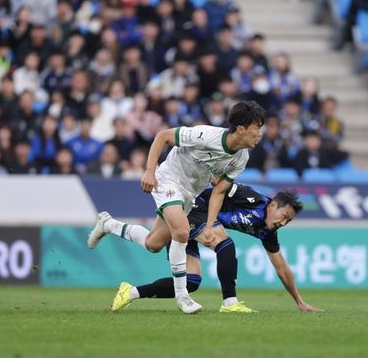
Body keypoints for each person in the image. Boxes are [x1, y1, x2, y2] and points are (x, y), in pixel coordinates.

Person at [87, 100, 266, 314]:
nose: (259, 133)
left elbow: (218, 192)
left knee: (153, 244)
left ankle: (108, 224)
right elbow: (163, 136)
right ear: (241, 129)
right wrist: (149, 171)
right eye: (257, 127)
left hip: (190, 193)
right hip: (168, 179)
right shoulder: (206, 135)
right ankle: (183, 297)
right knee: (181, 232)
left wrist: (209, 225)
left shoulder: (241, 157)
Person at [105, 185, 322, 313]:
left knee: (187, 279)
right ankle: (230, 302)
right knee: (224, 244)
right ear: (273, 205)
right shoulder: (253, 199)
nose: (282, 223)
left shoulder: (268, 232)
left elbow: (282, 268)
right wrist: (210, 224)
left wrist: (299, 301)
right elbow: (219, 186)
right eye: (284, 217)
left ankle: (130, 292)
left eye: (288, 222)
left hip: (196, 223)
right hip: (193, 207)